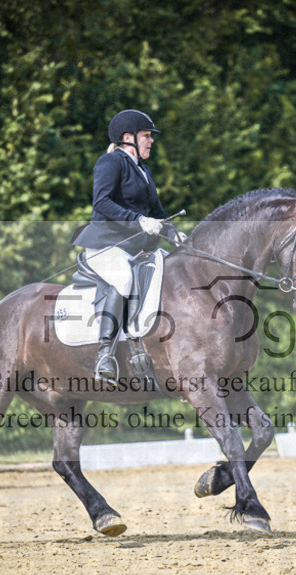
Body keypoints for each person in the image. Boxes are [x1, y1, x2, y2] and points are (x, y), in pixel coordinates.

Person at [72, 109, 183, 382]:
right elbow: (102, 203)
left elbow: (157, 210)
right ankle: (105, 355)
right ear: (127, 138)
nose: (151, 141)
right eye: (146, 136)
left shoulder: (144, 171)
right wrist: (138, 220)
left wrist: (174, 233)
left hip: (135, 248)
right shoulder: (110, 163)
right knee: (123, 280)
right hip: (105, 245)